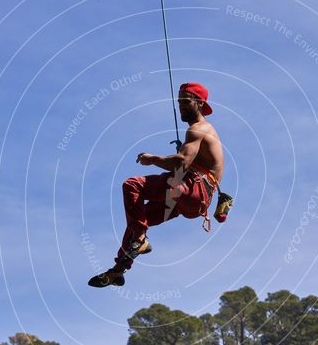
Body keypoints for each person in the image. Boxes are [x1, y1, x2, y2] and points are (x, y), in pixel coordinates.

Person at [88, 82, 224, 288]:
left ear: (200, 103)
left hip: (191, 191)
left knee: (132, 185)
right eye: (179, 102)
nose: (181, 106)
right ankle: (119, 270)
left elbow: (181, 162)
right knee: (138, 220)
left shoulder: (199, 130)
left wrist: (153, 159)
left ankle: (140, 240)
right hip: (192, 203)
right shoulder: (203, 132)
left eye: (186, 101)